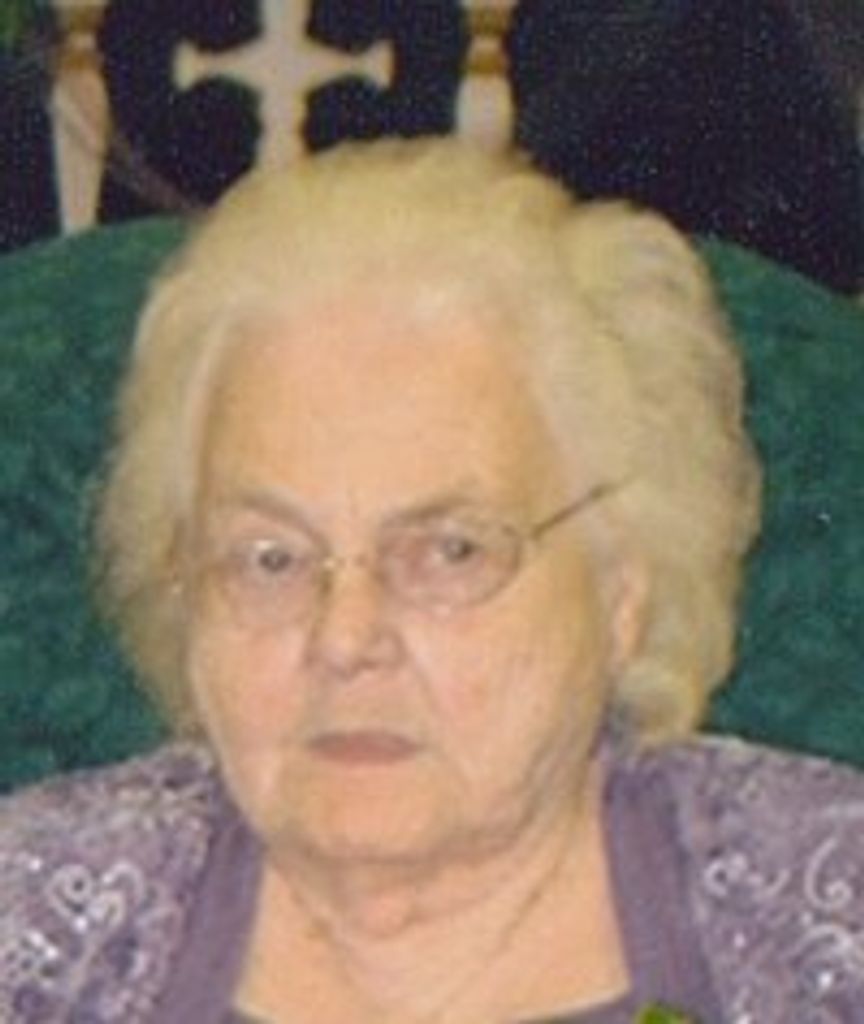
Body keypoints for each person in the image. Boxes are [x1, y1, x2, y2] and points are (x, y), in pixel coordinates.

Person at [1, 138, 863, 1024]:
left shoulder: (827, 919)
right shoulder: (29, 921)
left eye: (450, 551)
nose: (345, 639)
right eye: (271, 558)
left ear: (620, 593)